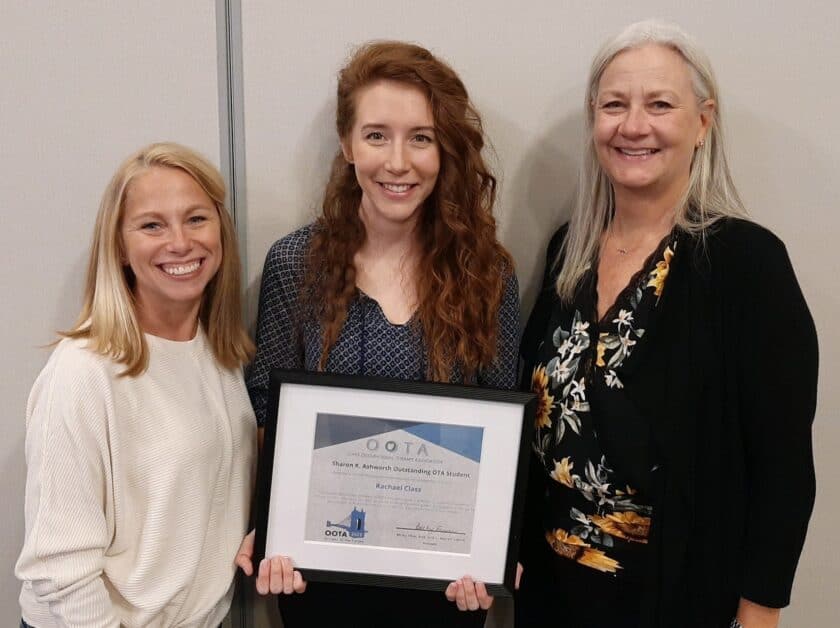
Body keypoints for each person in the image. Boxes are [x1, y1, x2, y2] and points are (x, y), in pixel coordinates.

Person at [516, 19, 818, 628]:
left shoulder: (746, 264)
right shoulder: (567, 251)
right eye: (614, 105)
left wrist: (761, 611)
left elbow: (784, 463)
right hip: (551, 591)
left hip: (675, 595)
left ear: (702, 121)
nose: (633, 126)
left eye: (660, 104)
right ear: (593, 120)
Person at [239, 41, 520, 627]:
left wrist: (496, 547)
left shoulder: (488, 273)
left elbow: (503, 423)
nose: (398, 162)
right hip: (316, 576)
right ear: (346, 145)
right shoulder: (297, 264)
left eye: (421, 137)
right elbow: (266, 410)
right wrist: (269, 521)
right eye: (376, 135)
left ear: (445, 149)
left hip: (446, 584)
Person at [15, 143, 257, 627]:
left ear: (221, 232)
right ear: (120, 247)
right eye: (152, 225)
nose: (180, 243)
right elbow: (61, 568)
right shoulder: (84, 371)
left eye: (196, 219)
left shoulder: (220, 356)